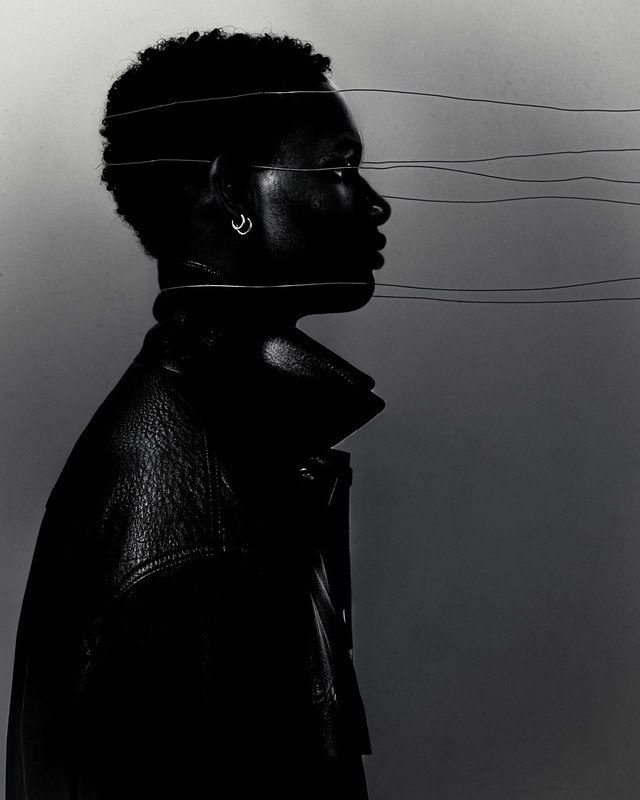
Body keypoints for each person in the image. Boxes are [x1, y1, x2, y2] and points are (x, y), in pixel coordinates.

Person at [6, 29, 391, 799]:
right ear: (235, 194)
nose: (376, 203)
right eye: (340, 169)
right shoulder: (204, 510)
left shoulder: (219, 431)